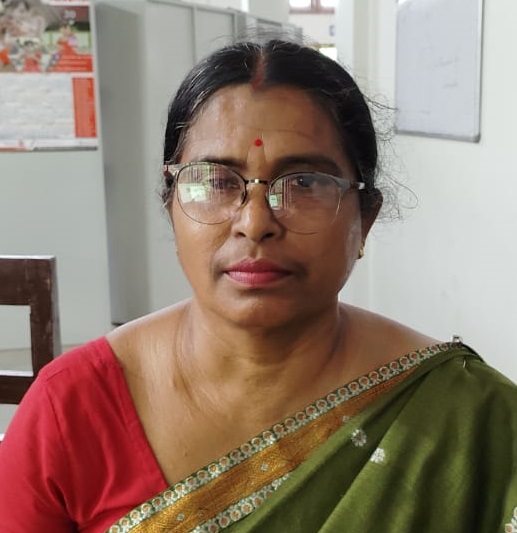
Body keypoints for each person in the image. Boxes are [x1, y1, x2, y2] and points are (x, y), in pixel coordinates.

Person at [0, 38, 516, 533]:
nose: (255, 222)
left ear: (366, 218)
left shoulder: (471, 418)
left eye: (305, 183)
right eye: (216, 181)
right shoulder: (71, 410)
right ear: (170, 205)